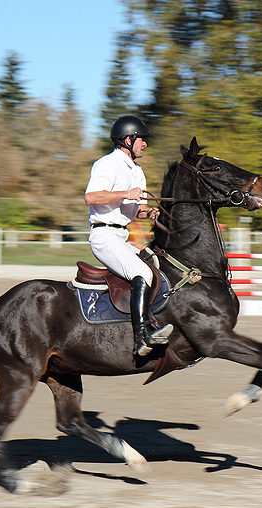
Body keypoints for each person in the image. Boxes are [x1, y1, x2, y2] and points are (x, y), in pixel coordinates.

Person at [84, 115, 173, 357]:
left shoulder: (137, 171)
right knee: (142, 273)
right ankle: (141, 337)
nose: (145, 144)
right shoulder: (107, 164)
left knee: (155, 265)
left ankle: (148, 320)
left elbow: (136, 209)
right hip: (104, 236)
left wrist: (149, 212)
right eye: (142, 139)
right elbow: (91, 197)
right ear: (128, 140)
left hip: (121, 236)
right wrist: (126, 193)